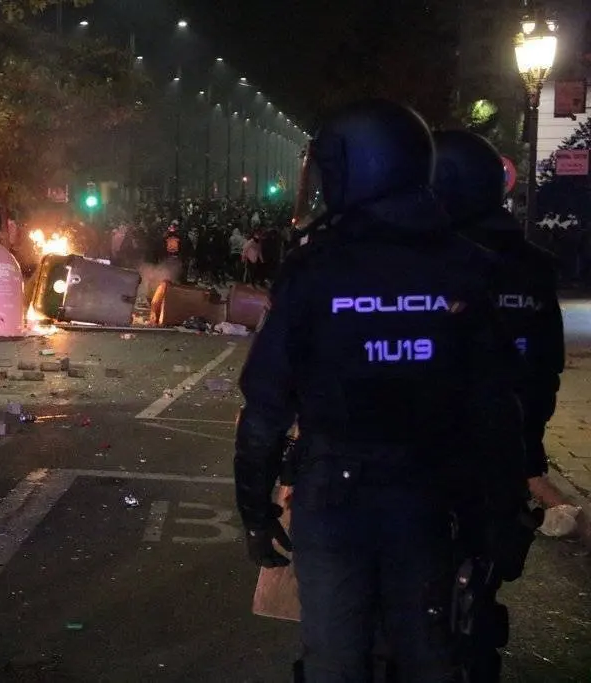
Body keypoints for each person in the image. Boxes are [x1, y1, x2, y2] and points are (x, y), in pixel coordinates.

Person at [233, 99, 531, 682]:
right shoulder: (469, 267)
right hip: (432, 496)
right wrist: (497, 517)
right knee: (428, 654)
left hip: (335, 499)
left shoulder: (314, 269)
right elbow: (498, 409)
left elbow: (266, 408)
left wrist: (254, 511)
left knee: (335, 659)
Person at [433, 131, 566, 505]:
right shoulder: (532, 264)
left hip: (431, 451)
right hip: (505, 446)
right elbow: (546, 366)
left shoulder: (420, 256)